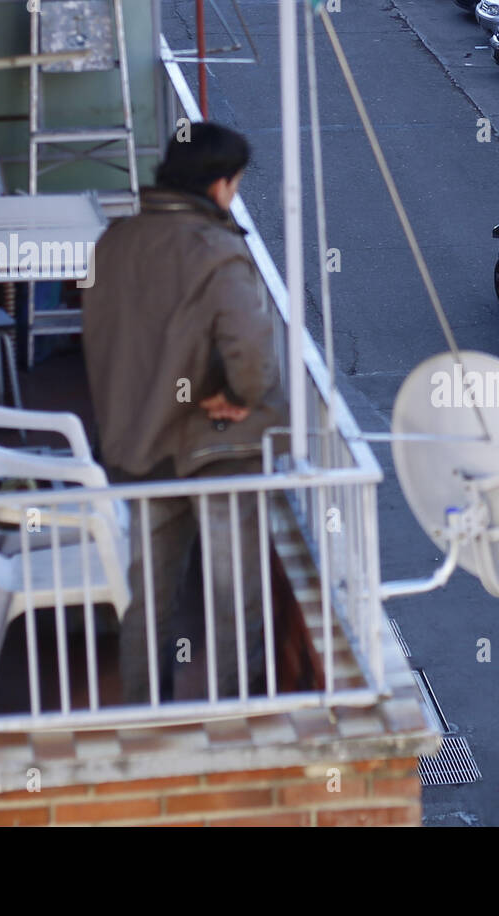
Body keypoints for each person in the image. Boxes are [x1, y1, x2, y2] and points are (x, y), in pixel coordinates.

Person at [83, 122, 291, 704]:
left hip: (135, 446)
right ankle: (237, 716)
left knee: (147, 593)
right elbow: (250, 354)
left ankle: (145, 711)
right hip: (217, 446)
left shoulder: (114, 241)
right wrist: (245, 399)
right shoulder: (215, 250)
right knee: (234, 594)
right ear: (221, 184)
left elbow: (100, 341)